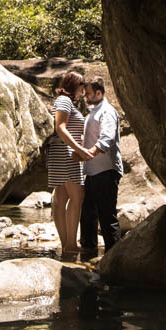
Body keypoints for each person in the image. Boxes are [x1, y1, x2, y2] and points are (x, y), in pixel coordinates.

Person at [48, 71, 93, 260]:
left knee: (62, 196)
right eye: (82, 87)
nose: (83, 92)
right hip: (65, 153)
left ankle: (67, 245)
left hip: (62, 152)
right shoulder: (64, 101)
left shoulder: (65, 102)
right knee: (77, 195)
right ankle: (71, 244)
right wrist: (79, 149)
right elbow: (60, 127)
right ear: (76, 85)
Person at [78, 76, 122, 261]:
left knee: (107, 217)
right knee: (87, 215)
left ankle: (115, 258)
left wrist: (90, 152)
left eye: (88, 93)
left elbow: (107, 138)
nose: (85, 97)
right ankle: (88, 255)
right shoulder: (93, 111)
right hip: (93, 171)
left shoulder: (107, 111)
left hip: (106, 170)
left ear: (98, 92)